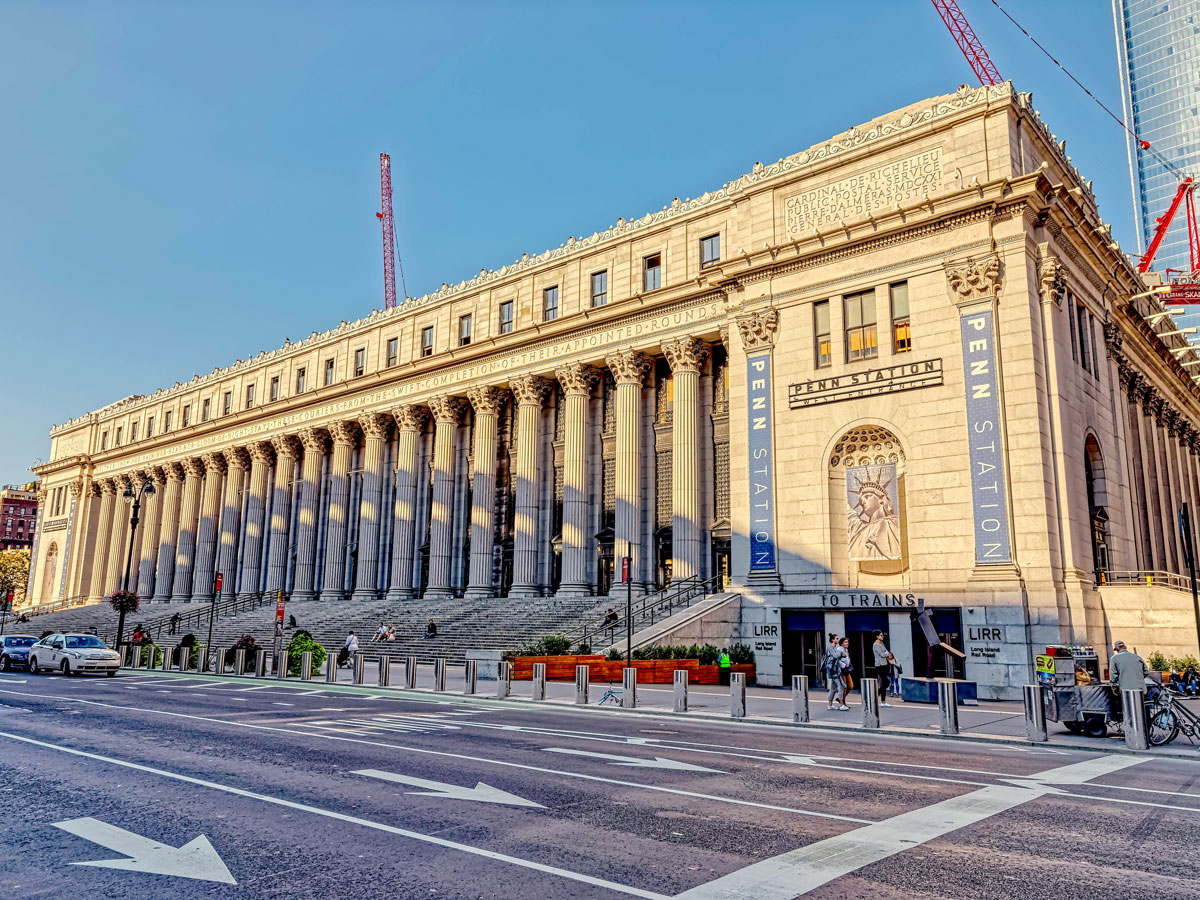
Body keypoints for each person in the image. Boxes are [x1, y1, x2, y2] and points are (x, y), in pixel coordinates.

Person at [1108, 640, 1148, 721]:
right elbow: (1146, 672)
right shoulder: (1137, 657)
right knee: (1141, 711)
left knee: (1129, 712)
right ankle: (1144, 729)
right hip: (1141, 689)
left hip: (1126, 691)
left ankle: (1130, 729)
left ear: (1117, 649)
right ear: (1125, 647)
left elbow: (1113, 676)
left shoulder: (1114, 658)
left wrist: (1114, 688)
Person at [871, 632, 893, 708]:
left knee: (884, 683)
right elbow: (882, 654)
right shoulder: (875, 644)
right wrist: (887, 654)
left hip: (884, 665)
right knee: (886, 682)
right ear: (877, 636)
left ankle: (883, 702)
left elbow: (886, 652)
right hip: (879, 666)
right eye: (880, 635)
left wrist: (887, 655)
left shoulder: (881, 643)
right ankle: (876, 695)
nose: (882, 636)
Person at [823, 634, 843, 710]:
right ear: (832, 640)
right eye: (836, 638)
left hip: (835, 670)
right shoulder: (830, 647)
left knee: (833, 688)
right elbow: (835, 656)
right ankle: (841, 705)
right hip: (833, 670)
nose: (838, 640)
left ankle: (830, 705)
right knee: (841, 686)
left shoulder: (835, 647)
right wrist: (840, 653)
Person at [838, 637, 853, 710]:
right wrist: (843, 665)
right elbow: (836, 660)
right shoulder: (839, 649)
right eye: (845, 642)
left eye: (847, 642)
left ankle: (840, 699)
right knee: (844, 687)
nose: (847, 643)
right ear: (841, 643)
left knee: (850, 686)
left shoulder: (846, 650)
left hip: (846, 670)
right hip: (841, 670)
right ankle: (843, 703)